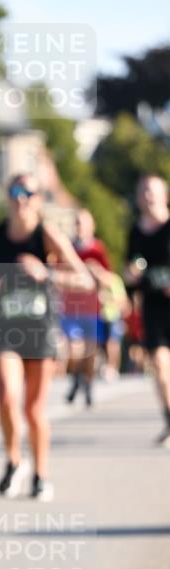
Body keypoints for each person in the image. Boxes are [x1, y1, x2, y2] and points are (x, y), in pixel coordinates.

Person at [0, 174, 91, 500]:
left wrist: (46, 272)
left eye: (28, 192)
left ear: (39, 199)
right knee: (6, 395)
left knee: (33, 410)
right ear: (7, 196)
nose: (21, 198)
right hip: (5, 328)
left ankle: (41, 474)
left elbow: (84, 279)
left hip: (40, 330)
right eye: (15, 191)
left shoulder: (47, 235)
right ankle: (14, 461)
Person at [124, 174, 170, 446]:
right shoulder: (136, 232)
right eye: (143, 191)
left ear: (164, 195)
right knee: (161, 366)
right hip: (153, 307)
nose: (148, 196)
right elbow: (131, 267)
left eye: (152, 191)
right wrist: (130, 279)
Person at [62, 208, 111, 407]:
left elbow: (109, 279)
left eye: (83, 223)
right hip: (71, 308)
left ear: (92, 226)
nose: (80, 227)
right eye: (77, 223)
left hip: (92, 309)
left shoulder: (98, 249)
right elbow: (57, 272)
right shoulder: (67, 247)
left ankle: (88, 384)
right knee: (74, 351)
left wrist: (96, 271)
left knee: (90, 353)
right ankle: (75, 378)